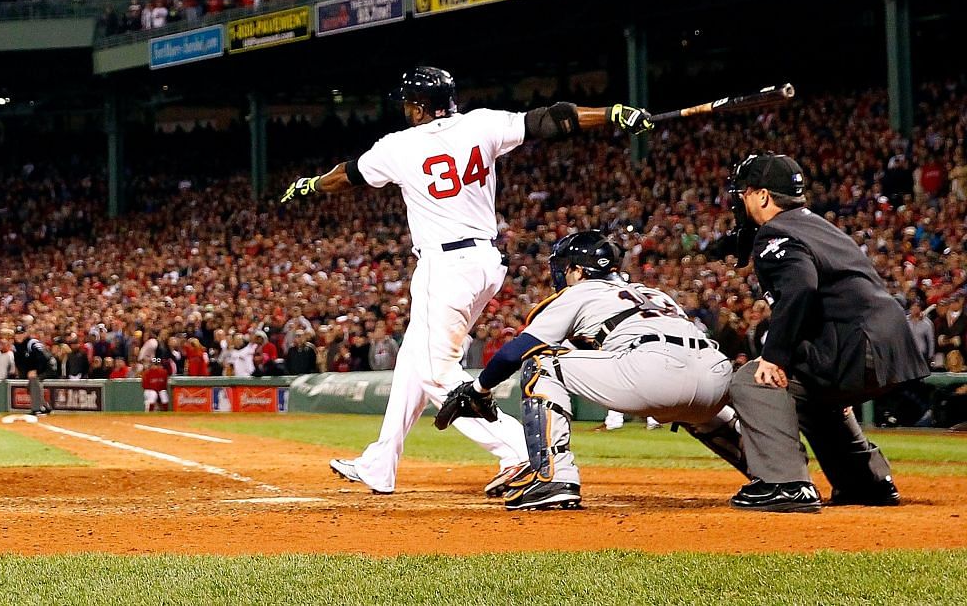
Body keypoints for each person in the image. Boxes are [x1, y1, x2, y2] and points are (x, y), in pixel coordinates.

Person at [284, 65, 654, 496]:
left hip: (445, 267)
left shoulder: (399, 145)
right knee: (413, 364)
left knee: (437, 373)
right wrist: (611, 114)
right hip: (483, 260)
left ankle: (520, 449)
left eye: (409, 104)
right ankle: (381, 462)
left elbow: (345, 176)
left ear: (421, 107)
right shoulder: (482, 123)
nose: (406, 110)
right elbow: (552, 118)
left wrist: (311, 185)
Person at [439, 232, 738, 511]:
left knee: (541, 362)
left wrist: (479, 388)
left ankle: (554, 476)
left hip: (654, 370)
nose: (561, 274)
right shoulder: (654, 294)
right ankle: (772, 476)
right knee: (698, 406)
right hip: (715, 371)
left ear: (579, 271)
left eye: (565, 268)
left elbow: (516, 352)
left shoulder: (581, 291)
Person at [723, 153, 927, 511]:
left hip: (858, 343)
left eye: (745, 192)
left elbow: (801, 287)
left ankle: (784, 483)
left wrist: (774, 357)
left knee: (753, 380)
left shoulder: (776, 230)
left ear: (764, 197)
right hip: (891, 345)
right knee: (807, 390)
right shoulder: (818, 226)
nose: (741, 200)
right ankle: (866, 482)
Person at [13, 327, 56, 415]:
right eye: (17, 334)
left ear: (25, 334)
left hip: (49, 367)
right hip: (38, 369)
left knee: (34, 380)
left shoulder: (32, 343)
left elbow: (43, 357)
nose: (19, 336)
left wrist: (36, 370)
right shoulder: (17, 347)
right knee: (30, 386)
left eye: (21, 333)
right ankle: (45, 406)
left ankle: (37, 409)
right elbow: (20, 363)